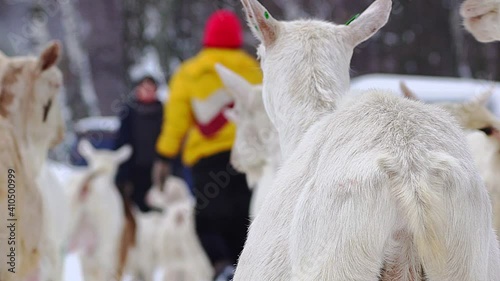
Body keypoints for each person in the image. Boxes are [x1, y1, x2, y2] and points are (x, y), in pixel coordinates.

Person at [152, 9, 263, 280]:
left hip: (206, 160)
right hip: (247, 159)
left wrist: (164, 156)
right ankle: (242, 269)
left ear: (207, 37)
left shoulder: (189, 73)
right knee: (245, 217)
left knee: (207, 218)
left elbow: (176, 121)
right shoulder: (253, 69)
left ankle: (221, 265)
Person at [115, 75, 164, 212]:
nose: (148, 92)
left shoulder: (163, 112)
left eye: (151, 88)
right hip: (134, 169)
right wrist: (122, 174)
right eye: (144, 88)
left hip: (157, 169)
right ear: (138, 90)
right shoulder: (129, 112)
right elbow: (121, 141)